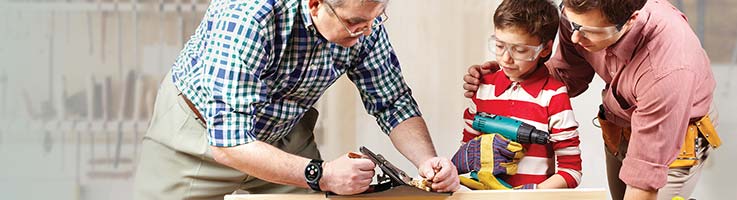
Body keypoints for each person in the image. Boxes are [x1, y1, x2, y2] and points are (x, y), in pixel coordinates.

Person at [133, 0, 460, 199]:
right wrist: (324, 174)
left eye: (376, 18)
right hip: (199, 137)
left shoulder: (363, 23)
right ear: (316, 4)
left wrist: (427, 163)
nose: (367, 31)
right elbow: (229, 142)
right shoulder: (249, 16)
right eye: (355, 23)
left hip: (284, 131)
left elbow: (393, 101)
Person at [462, 0, 721, 199]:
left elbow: (644, 176)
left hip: (669, 142)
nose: (574, 38)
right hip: (620, 128)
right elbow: (567, 76)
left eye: (588, 31)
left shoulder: (668, 68)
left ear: (630, 20)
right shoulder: (577, 15)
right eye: (573, 25)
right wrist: (511, 73)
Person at [451, 0, 582, 190]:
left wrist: (530, 194)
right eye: (499, 46)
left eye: (519, 50)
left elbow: (571, 171)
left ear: (545, 49)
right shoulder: (482, 89)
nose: (506, 59)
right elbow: (465, 161)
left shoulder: (554, 96)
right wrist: (465, 158)